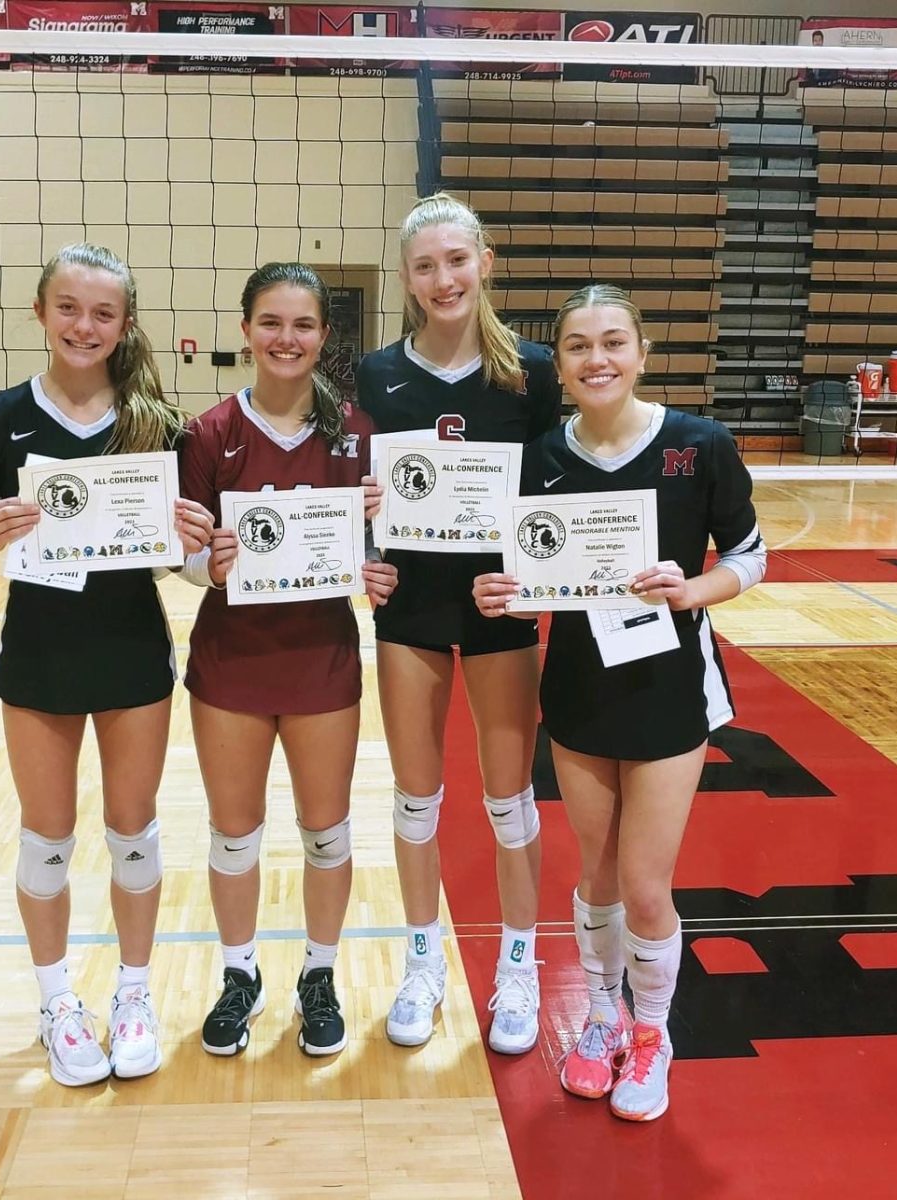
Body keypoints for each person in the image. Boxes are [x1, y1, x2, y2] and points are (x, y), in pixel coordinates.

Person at [472, 284, 766, 1119]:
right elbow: (527, 577)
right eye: (576, 346)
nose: (596, 359)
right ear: (557, 364)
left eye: (612, 343)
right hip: (578, 688)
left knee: (644, 886)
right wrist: (507, 595)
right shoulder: (539, 458)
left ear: (641, 353)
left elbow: (749, 558)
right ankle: (600, 1018)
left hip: (670, 688)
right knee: (595, 877)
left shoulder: (699, 444)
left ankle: (652, 1033)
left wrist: (691, 590)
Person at [0, 243, 214, 1086]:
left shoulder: (158, 425)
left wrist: (197, 546)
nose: (84, 326)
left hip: (134, 652)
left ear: (124, 324)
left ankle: (134, 995)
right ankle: (58, 1001)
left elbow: (183, 564)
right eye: (69, 308)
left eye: (102, 313)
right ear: (41, 313)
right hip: (38, 657)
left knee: (133, 832)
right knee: (47, 840)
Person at [356, 193, 562, 1054]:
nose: (444, 278)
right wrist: (362, 537)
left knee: (510, 800)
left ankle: (520, 965)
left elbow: (558, 489)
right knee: (415, 801)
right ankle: (421, 959)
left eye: (457, 259)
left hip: (497, 607)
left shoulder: (534, 370)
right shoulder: (375, 373)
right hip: (408, 605)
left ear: (485, 262)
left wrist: (538, 579)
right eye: (426, 265)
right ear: (406, 279)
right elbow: (360, 487)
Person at [178, 262, 397, 1058]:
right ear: (246, 331)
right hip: (231, 663)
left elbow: (373, 551)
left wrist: (378, 572)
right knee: (234, 835)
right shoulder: (206, 434)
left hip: (322, 660)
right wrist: (212, 564)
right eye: (270, 322)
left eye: (302, 325)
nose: (286, 338)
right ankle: (239, 976)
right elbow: (183, 558)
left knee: (326, 832)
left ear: (323, 337)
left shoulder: (357, 433)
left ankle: (320, 974)